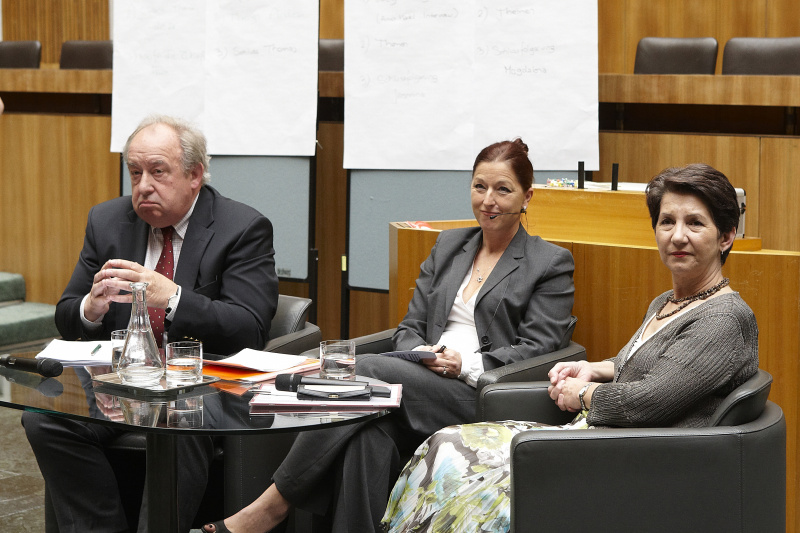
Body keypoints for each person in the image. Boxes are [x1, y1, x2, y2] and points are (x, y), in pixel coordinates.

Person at [202, 139, 575, 533]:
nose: (488, 200)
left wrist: (463, 364)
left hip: (480, 392)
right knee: (368, 438)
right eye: (479, 186)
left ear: (527, 196)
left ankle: (271, 507)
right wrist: (420, 354)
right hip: (417, 378)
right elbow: (410, 327)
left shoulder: (548, 262)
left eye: (503, 189)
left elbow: (540, 348)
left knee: (360, 369)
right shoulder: (451, 246)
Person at [380, 163, 759, 533]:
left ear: (726, 236)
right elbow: (648, 362)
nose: (677, 236)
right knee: (446, 443)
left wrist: (585, 392)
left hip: (633, 461)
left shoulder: (723, 318)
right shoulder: (668, 301)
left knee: (464, 477)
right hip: (596, 437)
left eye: (695, 223)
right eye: (667, 222)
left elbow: (648, 400)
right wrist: (597, 367)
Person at [22, 114, 279, 533]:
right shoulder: (107, 221)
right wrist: (92, 307)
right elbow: (68, 312)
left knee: (177, 413)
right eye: (135, 172)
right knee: (43, 417)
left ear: (194, 175)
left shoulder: (242, 228)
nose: (143, 186)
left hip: (201, 383)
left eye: (158, 172)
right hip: (120, 379)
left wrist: (172, 297)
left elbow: (249, 327)